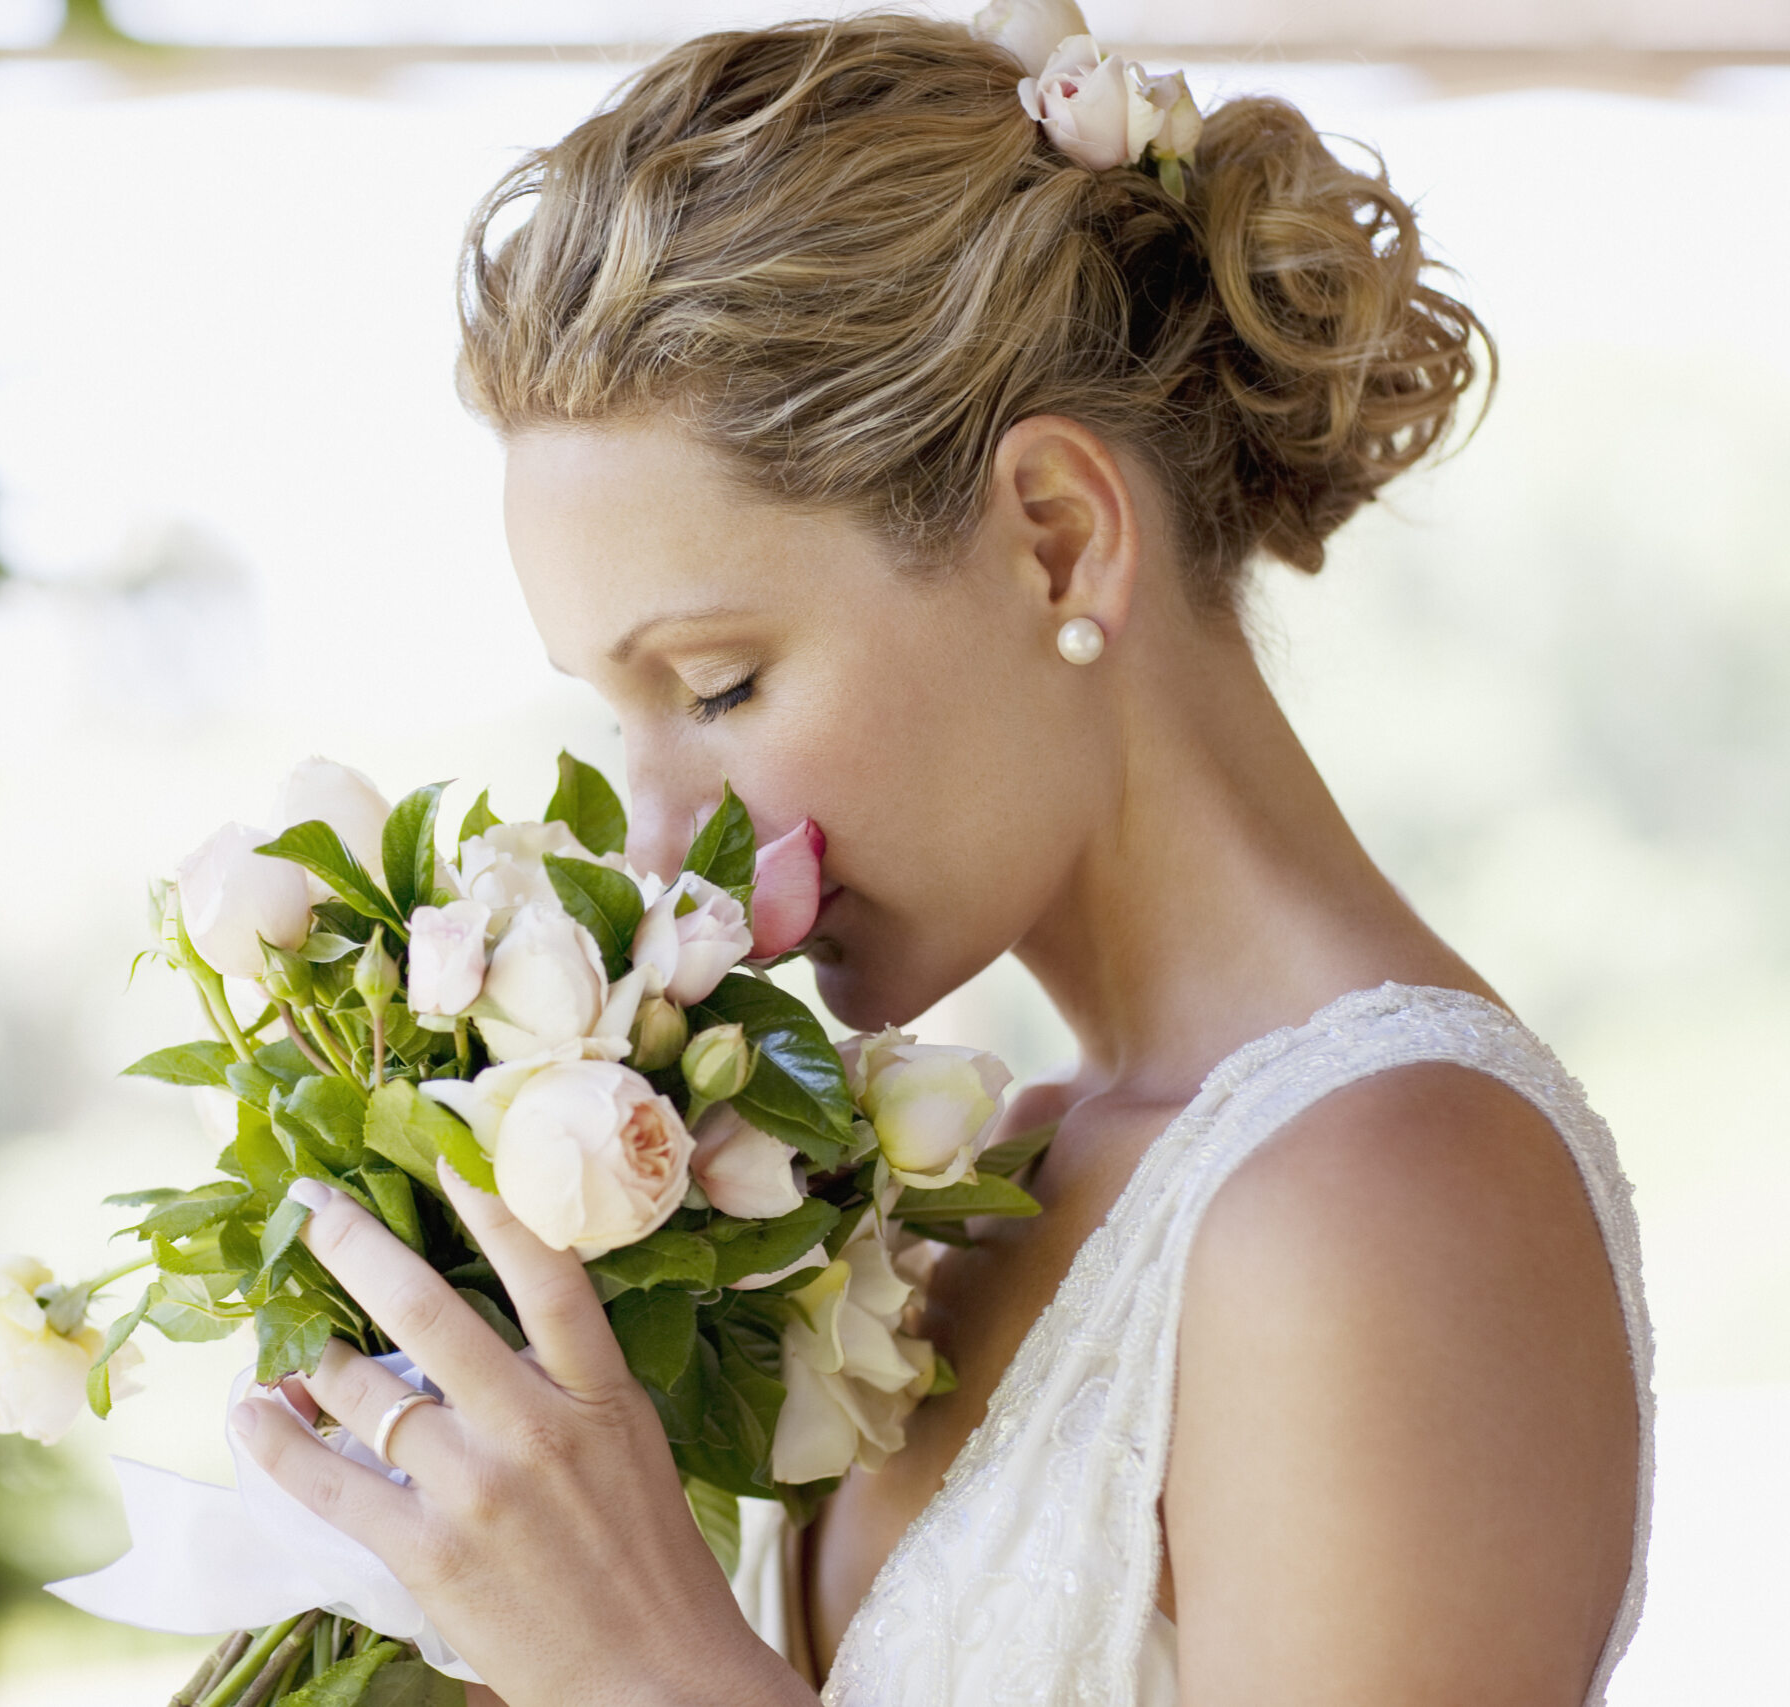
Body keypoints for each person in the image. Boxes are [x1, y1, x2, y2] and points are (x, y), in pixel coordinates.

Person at [231, 10, 1651, 1703]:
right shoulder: (968, 1191)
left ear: (1057, 540)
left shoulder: (1385, 1200)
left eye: (719, 684)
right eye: (630, 720)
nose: (669, 842)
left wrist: (646, 1671)